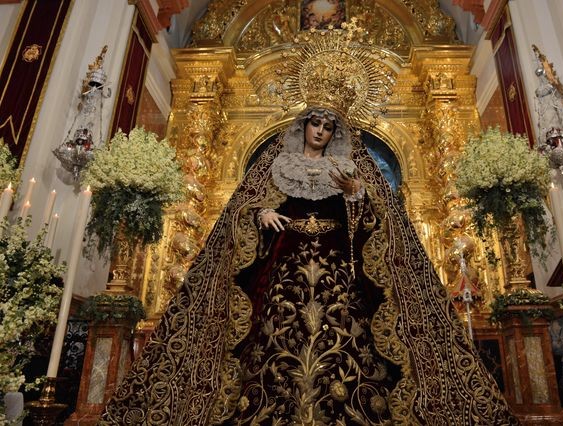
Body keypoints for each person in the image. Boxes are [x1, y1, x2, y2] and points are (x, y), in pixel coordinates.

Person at [101, 105, 518, 425]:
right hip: (285, 267)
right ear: (303, 127)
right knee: (278, 332)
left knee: (345, 332)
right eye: (314, 124)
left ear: (335, 133)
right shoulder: (278, 165)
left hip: (338, 270)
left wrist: (355, 194)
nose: (320, 131)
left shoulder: (348, 169)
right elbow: (243, 207)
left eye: (328, 127)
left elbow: (377, 223)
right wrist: (262, 212)